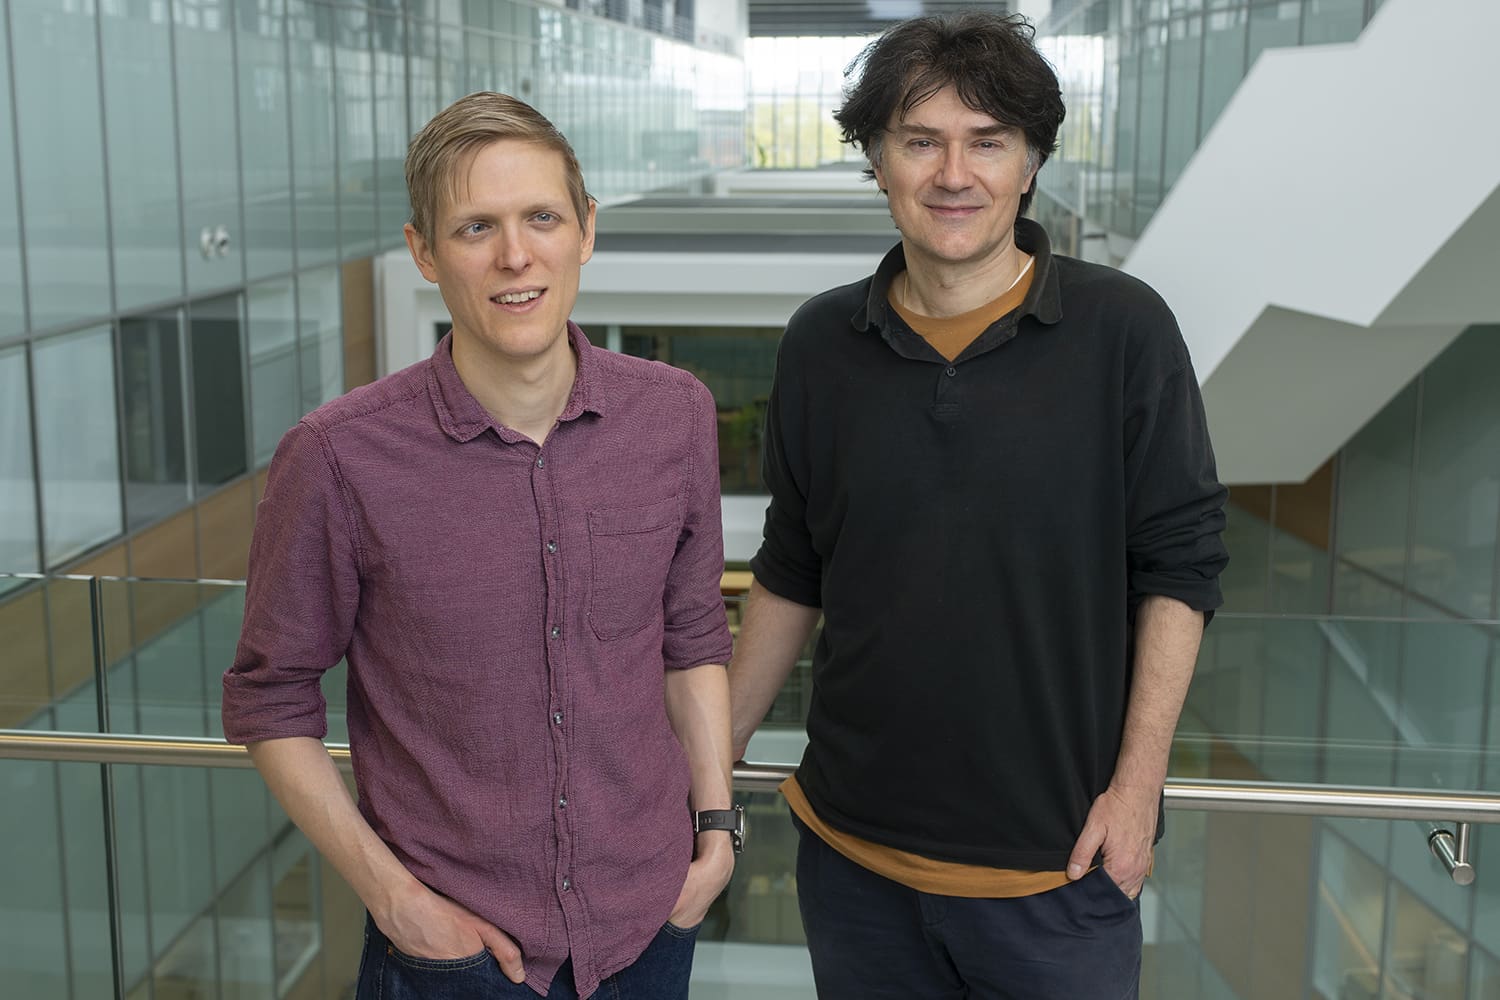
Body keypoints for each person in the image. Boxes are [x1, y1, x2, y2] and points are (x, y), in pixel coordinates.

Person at [728, 12, 1229, 999]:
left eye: (988, 142)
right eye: (921, 142)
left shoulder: (1123, 330)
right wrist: (711, 764)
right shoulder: (820, 342)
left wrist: (1137, 791)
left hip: (1058, 876)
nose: (954, 174)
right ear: (878, 162)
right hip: (852, 864)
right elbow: (793, 567)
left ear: (1031, 163)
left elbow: (1181, 568)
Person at [222, 91, 739, 1000]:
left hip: (652, 925)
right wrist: (395, 900)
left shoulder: (675, 414)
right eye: (475, 227)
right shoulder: (338, 457)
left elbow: (692, 638)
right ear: (424, 252)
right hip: (451, 954)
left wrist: (716, 834)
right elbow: (270, 696)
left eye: (542, 217)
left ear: (586, 229)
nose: (515, 256)